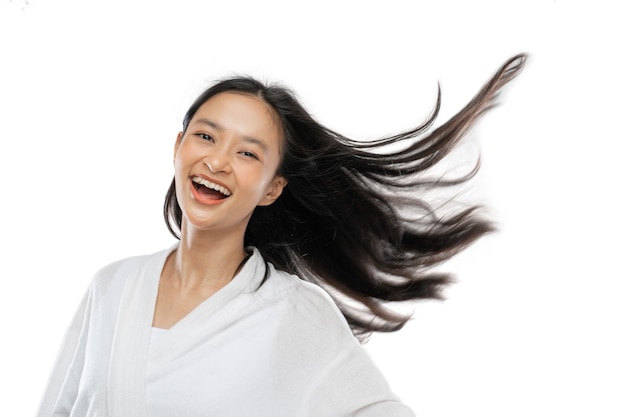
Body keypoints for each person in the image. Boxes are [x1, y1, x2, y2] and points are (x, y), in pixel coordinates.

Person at [35, 54, 526, 417]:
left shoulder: (292, 313)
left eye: (248, 153)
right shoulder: (113, 287)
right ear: (178, 146)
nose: (217, 161)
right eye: (206, 136)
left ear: (273, 187)